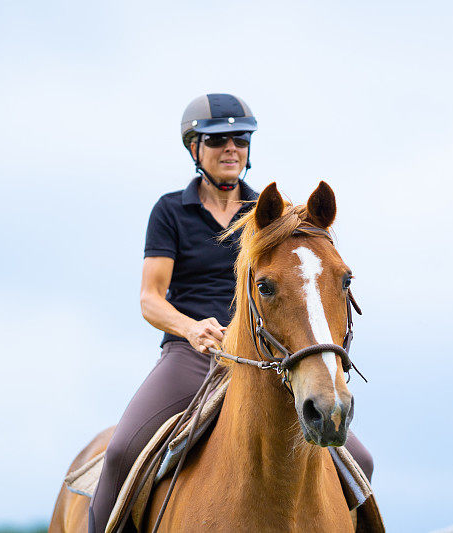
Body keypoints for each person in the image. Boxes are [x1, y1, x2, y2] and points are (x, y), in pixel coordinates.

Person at [88, 94, 374, 533]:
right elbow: (150, 297)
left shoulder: (269, 214)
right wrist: (190, 328)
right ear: (194, 148)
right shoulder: (170, 211)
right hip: (191, 355)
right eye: (217, 139)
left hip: (264, 355)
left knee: (362, 462)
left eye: (240, 139)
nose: (231, 149)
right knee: (124, 450)